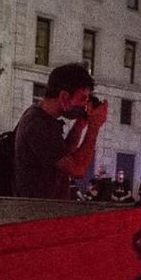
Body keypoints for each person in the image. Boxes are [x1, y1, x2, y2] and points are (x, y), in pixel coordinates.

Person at [13, 62, 108, 201]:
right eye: (83, 98)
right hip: (38, 215)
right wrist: (94, 126)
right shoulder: (37, 123)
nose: (85, 104)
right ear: (64, 97)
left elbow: (64, 155)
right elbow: (77, 169)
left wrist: (81, 123)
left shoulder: (43, 119)